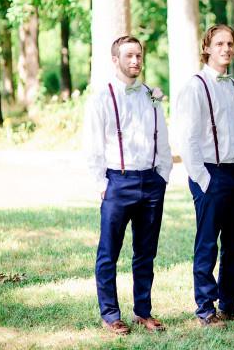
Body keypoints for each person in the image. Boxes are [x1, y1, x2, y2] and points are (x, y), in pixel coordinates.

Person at [176, 24, 234, 327]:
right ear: (207, 48)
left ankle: (230, 303)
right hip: (210, 174)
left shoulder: (230, 85)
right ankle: (205, 308)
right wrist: (203, 179)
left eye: (230, 44)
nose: (226, 49)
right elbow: (187, 138)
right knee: (208, 243)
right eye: (220, 44)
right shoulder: (196, 86)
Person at [83, 35, 172, 335]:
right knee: (109, 252)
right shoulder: (102, 97)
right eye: (129, 56)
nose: (135, 61)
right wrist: (102, 184)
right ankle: (110, 314)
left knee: (146, 252)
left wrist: (163, 176)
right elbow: (93, 145)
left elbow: (162, 137)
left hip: (150, 181)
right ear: (115, 60)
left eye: (138, 55)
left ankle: (142, 311)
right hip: (117, 181)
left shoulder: (151, 95)